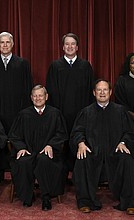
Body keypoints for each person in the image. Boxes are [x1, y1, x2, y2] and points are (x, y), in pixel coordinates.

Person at [70, 79, 134, 215]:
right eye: (99, 90)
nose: (102, 92)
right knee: (82, 159)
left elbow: (129, 132)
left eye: (105, 89)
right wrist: (81, 143)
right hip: (93, 152)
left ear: (110, 92)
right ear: (94, 93)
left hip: (115, 152)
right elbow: (77, 131)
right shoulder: (86, 112)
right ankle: (85, 201)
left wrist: (123, 143)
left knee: (127, 160)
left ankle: (129, 202)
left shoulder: (120, 111)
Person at [0, 32, 33, 182]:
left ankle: (16, 174)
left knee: (15, 140)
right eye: (2, 42)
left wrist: (25, 112)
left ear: (12, 44)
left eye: (7, 42)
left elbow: (27, 89)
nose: (5, 45)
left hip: (16, 111)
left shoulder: (22, 64)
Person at [8, 85, 68, 211]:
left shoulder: (54, 113)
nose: (38, 98)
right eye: (35, 96)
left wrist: (51, 145)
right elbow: (14, 136)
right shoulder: (24, 114)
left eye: (40, 95)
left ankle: (46, 197)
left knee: (44, 160)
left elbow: (61, 134)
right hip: (28, 150)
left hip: (48, 152)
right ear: (31, 98)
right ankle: (27, 197)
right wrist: (21, 148)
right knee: (23, 161)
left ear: (46, 97)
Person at [46, 33, 95, 172]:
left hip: (81, 112)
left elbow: (91, 91)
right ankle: (61, 174)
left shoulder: (85, 66)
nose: (70, 46)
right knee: (62, 141)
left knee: (80, 139)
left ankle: (78, 172)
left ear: (77, 47)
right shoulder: (55, 66)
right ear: (63, 47)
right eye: (67, 44)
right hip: (61, 112)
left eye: (72, 44)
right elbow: (50, 91)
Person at [114, 53, 134, 120]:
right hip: (128, 120)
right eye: (133, 63)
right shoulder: (122, 81)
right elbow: (120, 102)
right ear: (129, 65)